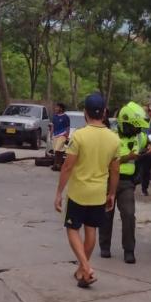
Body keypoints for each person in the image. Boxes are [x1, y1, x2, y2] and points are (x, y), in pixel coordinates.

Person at [54, 93, 121, 287]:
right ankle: (82, 272)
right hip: (98, 193)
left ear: (85, 113)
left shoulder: (80, 136)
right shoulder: (114, 138)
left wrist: (59, 192)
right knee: (91, 230)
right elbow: (115, 170)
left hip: (78, 192)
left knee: (72, 228)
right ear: (105, 113)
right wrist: (112, 193)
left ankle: (86, 267)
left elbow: (67, 167)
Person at [100, 101, 149, 264]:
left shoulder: (140, 137)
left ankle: (129, 250)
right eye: (133, 127)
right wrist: (129, 157)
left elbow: (147, 145)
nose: (137, 131)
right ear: (124, 123)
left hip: (127, 183)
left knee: (129, 215)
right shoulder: (111, 137)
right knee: (107, 214)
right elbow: (106, 161)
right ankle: (104, 246)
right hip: (109, 180)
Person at [51, 102, 70, 171]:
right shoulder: (54, 116)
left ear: (61, 109)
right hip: (55, 135)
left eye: (57, 107)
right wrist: (51, 135)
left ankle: (56, 164)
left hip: (62, 135)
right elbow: (53, 126)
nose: (55, 108)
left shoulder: (66, 117)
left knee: (58, 149)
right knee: (57, 150)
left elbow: (67, 127)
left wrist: (67, 135)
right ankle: (58, 165)